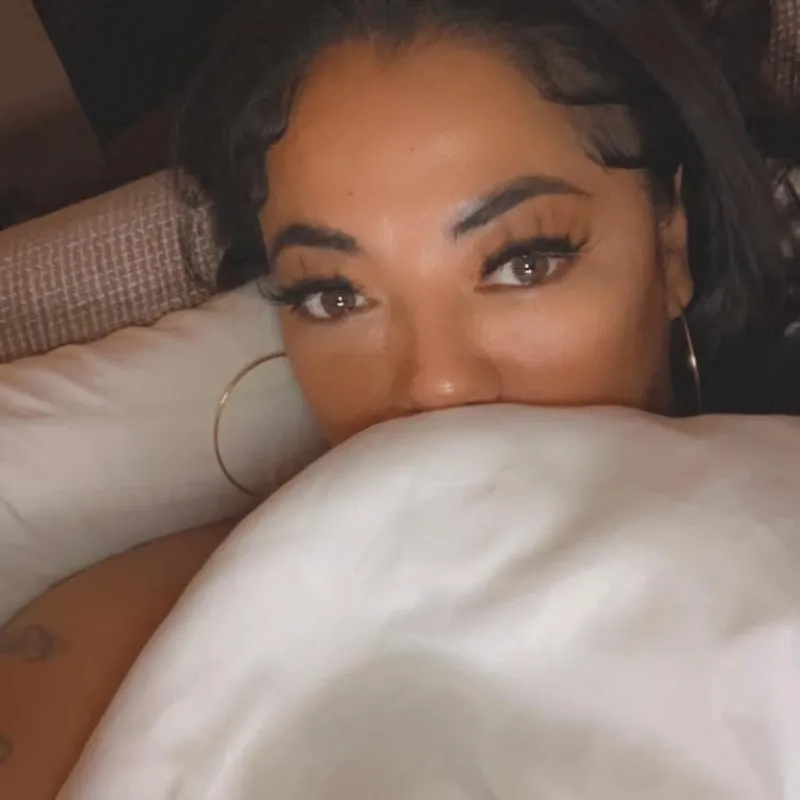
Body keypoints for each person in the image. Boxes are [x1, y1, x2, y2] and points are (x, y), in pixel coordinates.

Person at [2, 0, 798, 796]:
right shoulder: (117, 642)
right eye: (334, 296)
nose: (436, 384)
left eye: (524, 263)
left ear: (670, 245)